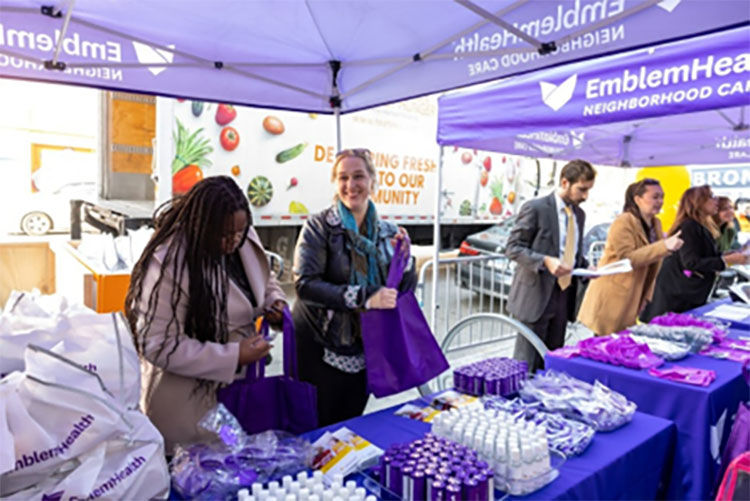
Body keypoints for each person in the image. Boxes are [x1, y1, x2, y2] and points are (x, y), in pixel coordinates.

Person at [125, 176, 287, 452]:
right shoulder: (169, 262)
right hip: (188, 401)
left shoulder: (242, 232)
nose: (234, 241)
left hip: (238, 390)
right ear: (200, 225)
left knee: (236, 467)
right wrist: (234, 356)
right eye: (225, 235)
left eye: (239, 231)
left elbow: (264, 276)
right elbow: (158, 344)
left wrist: (275, 301)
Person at [292, 148, 415, 426]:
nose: (351, 185)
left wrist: (406, 261)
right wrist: (365, 297)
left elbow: (402, 292)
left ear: (372, 180)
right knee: (322, 425)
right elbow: (305, 285)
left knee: (352, 422)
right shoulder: (319, 227)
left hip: (367, 344)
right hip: (321, 345)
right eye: (343, 177)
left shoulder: (387, 231)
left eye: (358, 176)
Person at [505, 159, 596, 372]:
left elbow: (572, 252)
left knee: (553, 359)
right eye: (582, 189)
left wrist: (587, 268)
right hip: (536, 295)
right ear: (565, 182)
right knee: (526, 364)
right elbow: (513, 247)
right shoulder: (536, 208)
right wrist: (544, 260)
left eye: (588, 190)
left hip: (564, 295)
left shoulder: (579, 215)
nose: (585, 196)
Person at [577, 179, 684, 335]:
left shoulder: (656, 223)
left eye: (662, 196)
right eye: (655, 197)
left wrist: (646, 295)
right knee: (605, 344)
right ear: (637, 199)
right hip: (613, 295)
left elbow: (652, 262)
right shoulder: (624, 221)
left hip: (636, 293)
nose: (660, 201)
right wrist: (664, 246)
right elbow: (627, 259)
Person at [640, 185, 749, 321]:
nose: (716, 201)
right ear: (698, 202)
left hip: (683, 294)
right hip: (677, 297)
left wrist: (727, 255)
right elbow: (691, 262)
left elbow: (701, 255)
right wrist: (727, 260)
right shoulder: (690, 226)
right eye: (711, 197)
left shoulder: (699, 226)